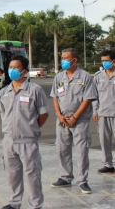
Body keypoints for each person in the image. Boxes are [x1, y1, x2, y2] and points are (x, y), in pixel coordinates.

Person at [0, 55, 49, 209]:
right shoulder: (4, 92)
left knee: (32, 175)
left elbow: (44, 113)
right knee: (12, 174)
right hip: (9, 140)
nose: (12, 70)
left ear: (25, 71)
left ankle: (35, 204)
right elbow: (3, 113)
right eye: (10, 67)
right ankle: (14, 202)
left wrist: (31, 128)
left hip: (27, 140)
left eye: (16, 67)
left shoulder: (35, 90)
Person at [50, 48, 96, 194]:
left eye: (66, 58)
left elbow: (88, 98)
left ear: (74, 60)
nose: (63, 60)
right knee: (62, 149)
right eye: (62, 58)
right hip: (62, 120)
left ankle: (82, 181)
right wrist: (59, 115)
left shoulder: (85, 77)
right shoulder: (59, 77)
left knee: (82, 150)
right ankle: (65, 177)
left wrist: (75, 117)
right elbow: (55, 97)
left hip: (79, 119)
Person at [93, 50, 115, 173]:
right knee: (104, 140)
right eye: (103, 61)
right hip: (102, 113)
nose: (104, 63)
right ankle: (108, 164)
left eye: (107, 60)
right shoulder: (98, 76)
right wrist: (95, 111)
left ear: (113, 61)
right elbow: (94, 96)